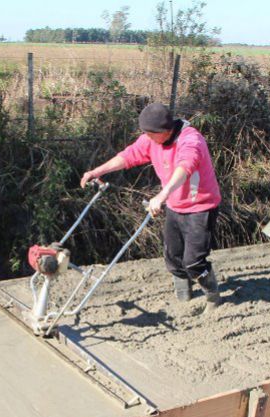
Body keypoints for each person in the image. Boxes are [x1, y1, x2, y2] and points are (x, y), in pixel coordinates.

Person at [80, 102, 223, 307]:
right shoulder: (152, 139)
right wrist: (97, 171)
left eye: (149, 134)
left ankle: (213, 297)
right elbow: (128, 156)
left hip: (200, 207)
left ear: (165, 131)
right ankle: (185, 298)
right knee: (173, 258)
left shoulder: (191, 140)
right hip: (175, 205)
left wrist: (161, 195)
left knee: (193, 262)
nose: (146, 138)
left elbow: (185, 167)